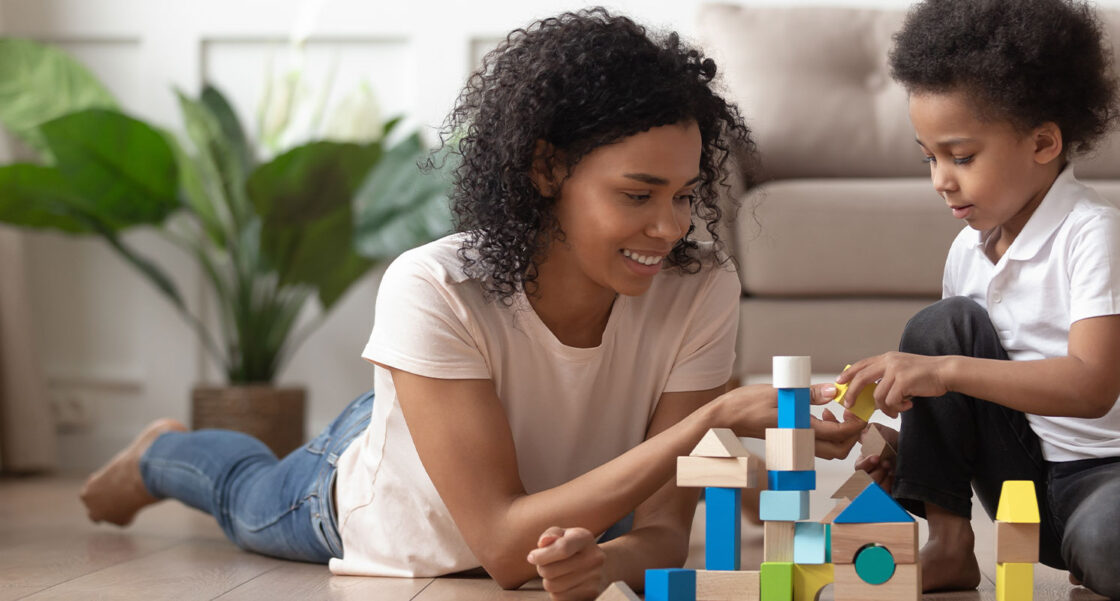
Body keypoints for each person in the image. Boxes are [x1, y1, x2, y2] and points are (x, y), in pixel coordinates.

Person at [79, 9, 861, 600]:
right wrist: (709, 420)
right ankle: (158, 453)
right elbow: (501, 547)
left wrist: (607, 565)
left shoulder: (702, 286)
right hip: (388, 483)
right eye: (637, 193)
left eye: (686, 195)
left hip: (503, 439)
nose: (670, 226)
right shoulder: (433, 285)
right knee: (242, 493)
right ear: (548, 168)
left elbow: (660, 531)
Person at [836, 1, 1120, 599]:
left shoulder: (1096, 232)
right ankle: (949, 546)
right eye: (930, 158)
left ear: (1043, 142)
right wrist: (913, 450)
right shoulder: (968, 251)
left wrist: (942, 371)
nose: (941, 178)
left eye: (961, 157)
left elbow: (1091, 387)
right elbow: (964, 394)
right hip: (1026, 480)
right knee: (940, 327)